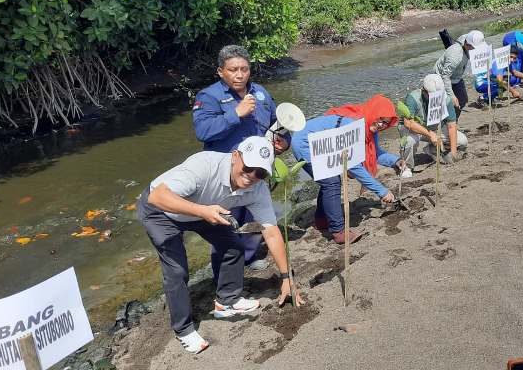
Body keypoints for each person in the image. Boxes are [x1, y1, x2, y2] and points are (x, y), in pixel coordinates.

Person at [138, 136, 303, 354]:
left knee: (233, 246)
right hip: (162, 210)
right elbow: (157, 196)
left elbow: (271, 232)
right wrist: (203, 211)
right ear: (236, 156)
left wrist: (286, 278)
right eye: (249, 167)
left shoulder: (258, 189)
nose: (252, 176)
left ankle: (227, 301)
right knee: (177, 270)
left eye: (260, 172)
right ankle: (184, 329)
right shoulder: (204, 166)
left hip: (204, 209)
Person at [192, 45, 288, 273]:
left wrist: (284, 142)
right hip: (227, 174)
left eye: (244, 69)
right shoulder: (209, 97)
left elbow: (279, 124)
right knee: (226, 225)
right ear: (220, 71)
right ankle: (223, 277)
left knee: (255, 216)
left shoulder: (261, 93)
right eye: (233, 69)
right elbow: (203, 131)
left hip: (257, 171)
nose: (239, 74)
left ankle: (249, 256)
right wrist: (235, 113)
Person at [291, 94, 401, 244]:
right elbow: (354, 166)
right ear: (373, 112)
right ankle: (339, 232)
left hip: (322, 145)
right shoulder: (354, 125)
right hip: (306, 144)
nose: (382, 124)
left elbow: (376, 153)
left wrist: (396, 160)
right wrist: (382, 191)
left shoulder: (369, 128)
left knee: (330, 180)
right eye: (380, 119)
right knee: (331, 181)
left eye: (386, 123)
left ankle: (322, 220)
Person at [399, 74, 467, 170]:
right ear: (424, 91)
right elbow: (408, 123)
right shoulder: (413, 98)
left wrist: (453, 153)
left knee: (462, 141)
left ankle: (432, 150)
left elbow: (452, 125)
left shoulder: (446, 99)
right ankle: (407, 167)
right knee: (409, 141)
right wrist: (430, 134)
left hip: (435, 129)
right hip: (415, 130)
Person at [434, 30, 486, 115]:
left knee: (463, 100)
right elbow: (445, 76)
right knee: (450, 103)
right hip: (441, 78)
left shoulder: (467, 38)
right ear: (468, 45)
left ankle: (454, 123)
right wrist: (452, 96)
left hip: (456, 76)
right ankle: (449, 125)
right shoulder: (455, 56)